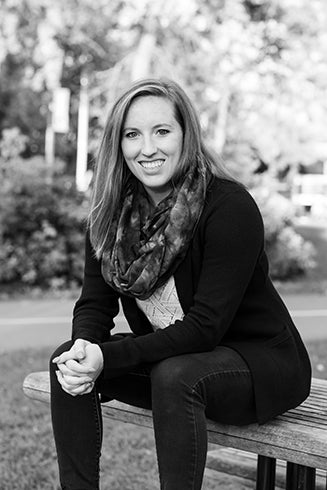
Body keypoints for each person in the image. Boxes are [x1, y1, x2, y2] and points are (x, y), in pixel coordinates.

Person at [50, 78, 311, 490]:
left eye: (162, 131)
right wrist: (87, 348)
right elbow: (94, 304)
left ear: (186, 135)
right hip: (176, 363)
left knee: (176, 375)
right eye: (133, 135)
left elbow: (205, 327)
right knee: (67, 358)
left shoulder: (228, 207)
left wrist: (109, 356)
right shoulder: (110, 213)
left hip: (260, 367)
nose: (147, 148)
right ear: (119, 145)